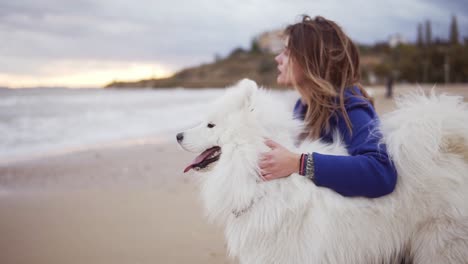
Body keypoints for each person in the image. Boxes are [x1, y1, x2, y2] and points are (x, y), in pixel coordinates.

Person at [259, 15, 397, 198]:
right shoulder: (302, 106)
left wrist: (300, 163)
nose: (278, 58)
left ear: (311, 59)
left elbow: (381, 172)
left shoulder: (348, 105)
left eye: (287, 51)